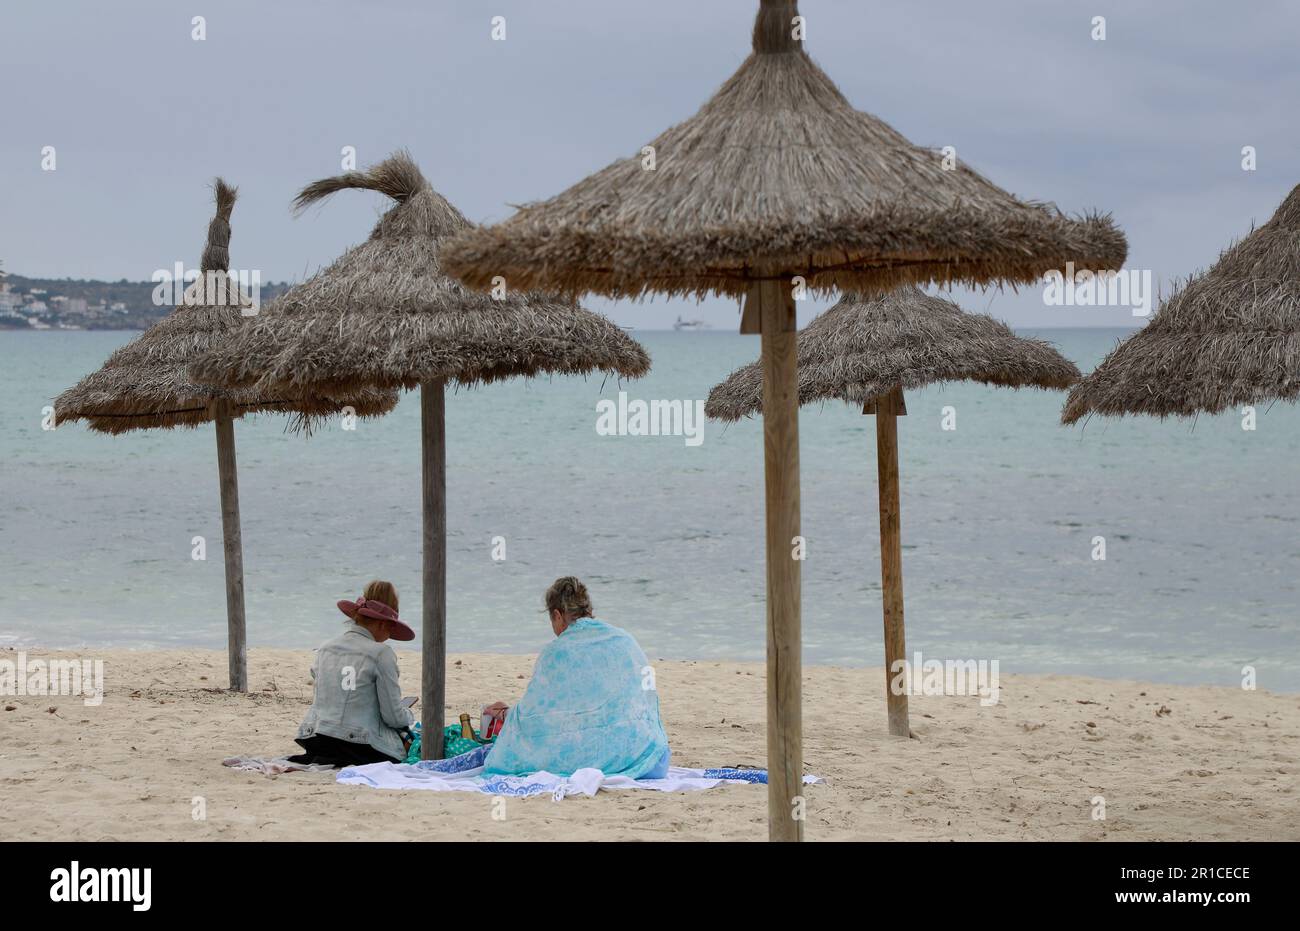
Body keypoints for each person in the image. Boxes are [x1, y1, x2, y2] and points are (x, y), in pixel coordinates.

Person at [481, 576, 671, 779]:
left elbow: (536, 720)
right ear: (588, 610)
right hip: (651, 759)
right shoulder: (624, 639)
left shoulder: (556, 652)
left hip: (601, 759)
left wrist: (507, 715)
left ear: (557, 615)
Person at [288, 580, 415, 767]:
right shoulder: (381, 654)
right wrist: (409, 715)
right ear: (382, 624)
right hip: (358, 746)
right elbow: (393, 717)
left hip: (318, 740)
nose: (389, 634)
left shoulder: (325, 649)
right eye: (391, 627)